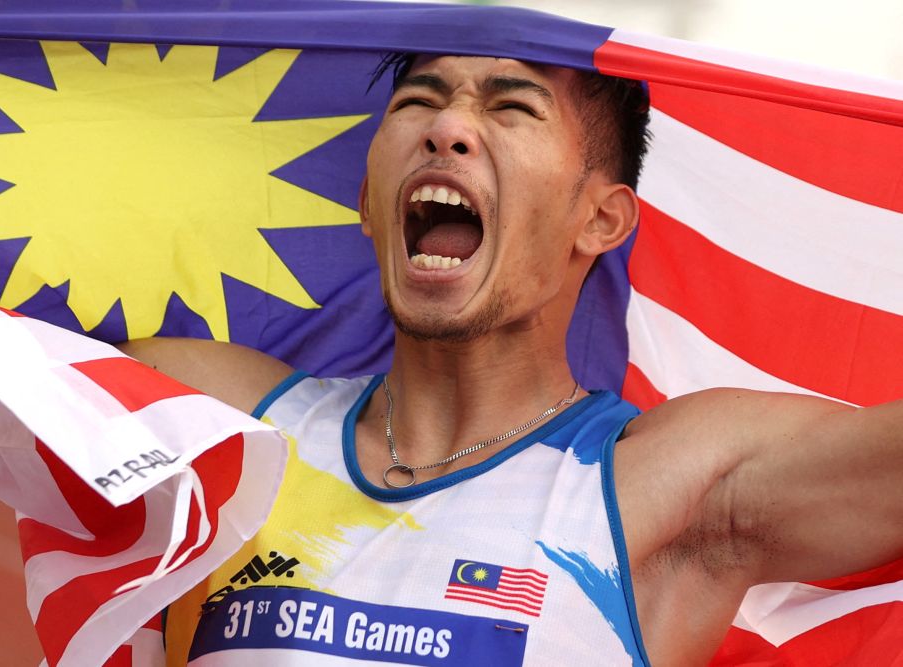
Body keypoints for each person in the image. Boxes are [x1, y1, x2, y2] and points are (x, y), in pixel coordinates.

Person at [120, 53, 902, 666]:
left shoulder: (662, 488)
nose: (447, 129)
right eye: (418, 102)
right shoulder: (217, 415)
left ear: (599, 218)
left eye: (511, 107)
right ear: (366, 200)